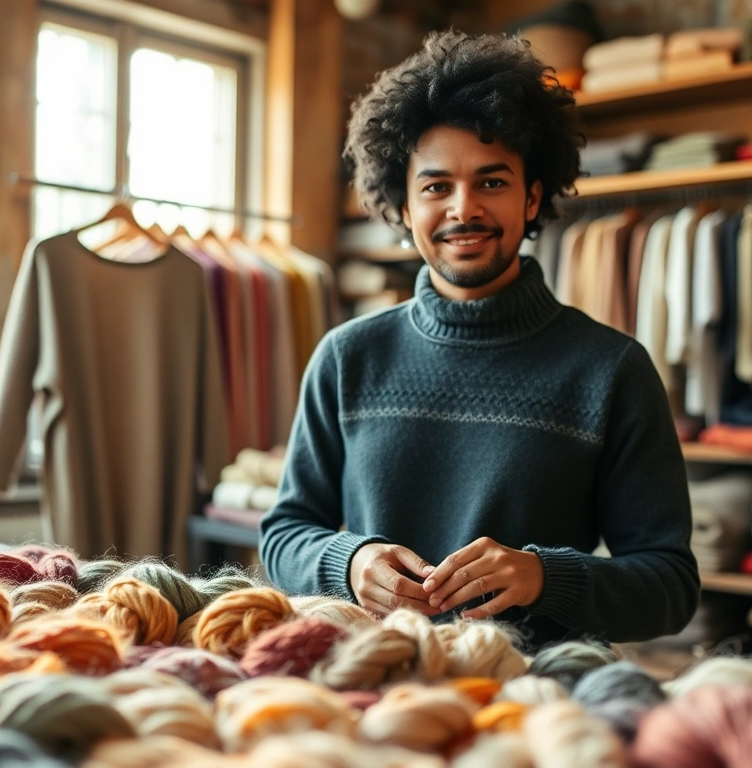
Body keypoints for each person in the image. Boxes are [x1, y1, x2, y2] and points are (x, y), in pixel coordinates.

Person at [259, 31, 698, 650]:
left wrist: (546, 576)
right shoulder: (346, 357)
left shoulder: (612, 369)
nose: (463, 209)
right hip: (373, 693)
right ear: (404, 208)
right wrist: (348, 563)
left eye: (491, 182)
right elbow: (284, 534)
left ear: (533, 196)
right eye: (436, 187)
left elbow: (671, 587)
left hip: (532, 712)